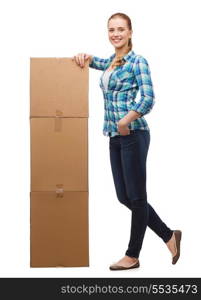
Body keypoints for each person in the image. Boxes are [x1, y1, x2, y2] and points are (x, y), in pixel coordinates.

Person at [72, 12, 182, 271]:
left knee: (137, 196)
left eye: (121, 29)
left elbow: (148, 98)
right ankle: (169, 235)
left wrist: (125, 121)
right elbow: (94, 61)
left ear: (130, 32)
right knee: (125, 197)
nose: (116, 34)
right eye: (111, 30)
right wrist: (82, 57)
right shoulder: (113, 62)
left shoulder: (137, 61)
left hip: (133, 134)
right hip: (114, 136)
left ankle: (132, 255)